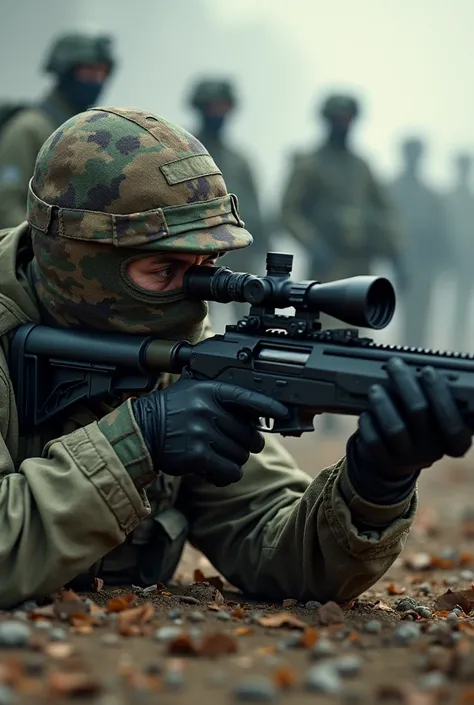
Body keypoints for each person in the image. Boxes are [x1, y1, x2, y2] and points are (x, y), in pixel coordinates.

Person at [0, 106, 471, 610]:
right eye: (165, 270)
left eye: (207, 267)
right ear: (78, 262)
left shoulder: (171, 342)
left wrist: (375, 484)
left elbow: (279, 549)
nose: (194, 296)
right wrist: (136, 442)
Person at [0, 30, 115, 229]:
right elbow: (6, 205)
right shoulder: (29, 128)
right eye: (88, 71)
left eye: (102, 72)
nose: (97, 80)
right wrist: (43, 246)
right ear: (65, 72)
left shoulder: (87, 129)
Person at [189, 79, 268, 328]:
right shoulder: (182, 150)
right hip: (196, 253)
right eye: (213, 107)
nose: (219, 114)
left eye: (224, 107)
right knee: (194, 322)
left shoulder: (240, 160)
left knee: (249, 323)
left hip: (238, 253)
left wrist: (264, 248)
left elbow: (255, 210)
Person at [389, 138, 450, 349]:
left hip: (424, 266)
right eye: (410, 153)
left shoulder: (430, 195)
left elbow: (442, 234)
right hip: (397, 263)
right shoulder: (390, 190)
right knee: (388, 314)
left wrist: (440, 263)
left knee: (420, 320)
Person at [443, 152, 474, 352]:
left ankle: (456, 345)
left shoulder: (469, 200)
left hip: (466, 261)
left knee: (461, 308)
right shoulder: (446, 199)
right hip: (446, 259)